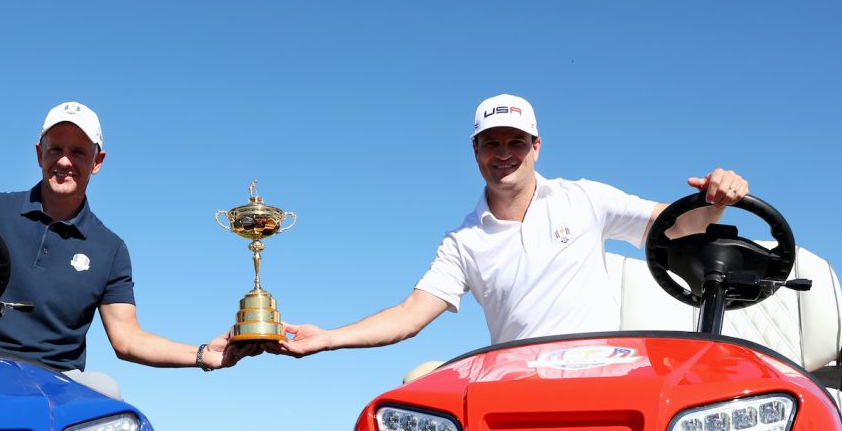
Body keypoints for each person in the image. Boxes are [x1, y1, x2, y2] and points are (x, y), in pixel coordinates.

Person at [274, 93, 750, 358]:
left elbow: (677, 227)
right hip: (515, 379)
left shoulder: (584, 198)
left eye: (515, 142)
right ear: (476, 152)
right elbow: (408, 315)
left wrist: (716, 199)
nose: (504, 154)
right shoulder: (463, 241)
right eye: (491, 143)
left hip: (602, 374)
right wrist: (330, 336)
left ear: (536, 147)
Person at [0, 101, 250, 381]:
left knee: (107, 396)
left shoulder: (109, 249)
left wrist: (204, 354)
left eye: (79, 152)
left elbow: (128, 339)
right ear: (40, 154)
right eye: (56, 150)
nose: (65, 161)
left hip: (58, 382)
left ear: (97, 161)